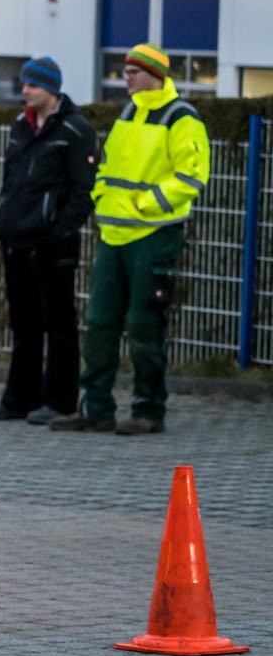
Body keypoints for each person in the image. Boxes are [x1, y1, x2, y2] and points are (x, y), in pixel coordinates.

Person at [53, 43, 209, 435]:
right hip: (115, 233)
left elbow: (191, 176)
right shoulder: (129, 113)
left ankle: (148, 409)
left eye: (132, 72)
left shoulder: (181, 118)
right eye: (124, 72)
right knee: (100, 322)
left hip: (154, 234)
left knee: (144, 325)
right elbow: (109, 166)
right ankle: (97, 408)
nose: (126, 79)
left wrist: (145, 203)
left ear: (155, 75)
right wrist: (103, 197)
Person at [0, 55, 98, 425]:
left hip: (52, 244)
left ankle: (60, 399)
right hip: (16, 240)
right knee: (24, 323)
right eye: (24, 84)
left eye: (32, 84)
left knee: (59, 323)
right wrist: (5, 220)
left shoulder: (76, 131)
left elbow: (84, 191)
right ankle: (19, 397)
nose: (25, 91)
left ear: (51, 88)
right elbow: (12, 179)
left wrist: (58, 232)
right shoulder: (20, 126)